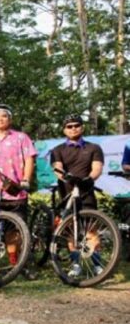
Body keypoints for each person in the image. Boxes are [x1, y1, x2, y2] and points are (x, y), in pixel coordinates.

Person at [0, 104, 37, 279]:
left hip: (16, 191)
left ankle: (25, 265)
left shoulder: (21, 138)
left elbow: (29, 158)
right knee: (7, 231)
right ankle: (14, 264)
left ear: (10, 119)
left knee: (20, 230)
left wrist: (26, 179)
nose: (0, 119)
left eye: (4, 116)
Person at [50, 114, 104, 277]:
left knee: (91, 230)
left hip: (86, 192)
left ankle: (97, 264)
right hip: (66, 193)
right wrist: (65, 176)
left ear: (82, 127)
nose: (73, 128)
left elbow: (97, 168)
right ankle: (76, 264)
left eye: (76, 125)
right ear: (64, 129)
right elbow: (57, 168)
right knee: (70, 231)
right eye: (69, 126)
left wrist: (89, 178)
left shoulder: (94, 148)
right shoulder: (57, 150)